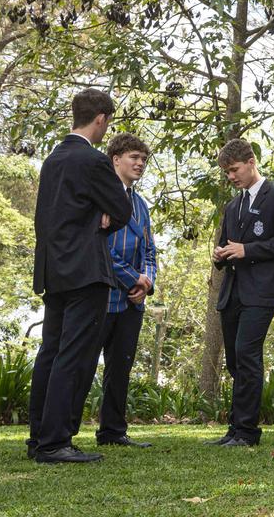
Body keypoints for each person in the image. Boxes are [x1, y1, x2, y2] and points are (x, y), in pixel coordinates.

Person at [27, 88, 132, 464]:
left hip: (53, 269)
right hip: (86, 269)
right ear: (100, 118)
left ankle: (38, 437)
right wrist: (104, 217)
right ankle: (55, 443)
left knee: (50, 352)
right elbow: (122, 207)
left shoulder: (52, 159)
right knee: (73, 355)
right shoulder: (92, 160)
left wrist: (95, 213)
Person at [208, 138, 274, 447]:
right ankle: (234, 429)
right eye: (226, 173)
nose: (231, 177)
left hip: (262, 291)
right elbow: (225, 245)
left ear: (251, 162)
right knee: (235, 361)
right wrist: (220, 256)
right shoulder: (233, 206)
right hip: (232, 292)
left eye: (234, 170)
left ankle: (247, 432)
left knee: (248, 354)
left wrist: (247, 249)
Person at [95, 133, 158, 449]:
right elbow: (102, 247)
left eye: (143, 159)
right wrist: (134, 278)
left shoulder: (141, 204)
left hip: (134, 302)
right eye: (134, 157)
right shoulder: (101, 198)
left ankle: (113, 431)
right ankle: (62, 433)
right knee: (83, 365)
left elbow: (150, 249)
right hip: (104, 296)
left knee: (121, 367)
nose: (139, 163)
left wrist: (147, 281)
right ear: (115, 159)